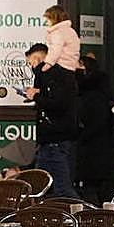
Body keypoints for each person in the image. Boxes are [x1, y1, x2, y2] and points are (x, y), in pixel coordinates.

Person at [23, 42, 80, 199]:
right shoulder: (57, 76)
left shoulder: (54, 76)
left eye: (32, 62)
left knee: (62, 189)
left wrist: (36, 96)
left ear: (39, 58)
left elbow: (58, 104)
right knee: (38, 188)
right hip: (50, 140)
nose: (32, 67)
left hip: (55, 140)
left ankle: (82, 218)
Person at [75, 55, 114, 206]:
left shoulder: (91, 96)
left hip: (93, 150)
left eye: (79, 66)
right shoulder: (103, 92)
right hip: (102, 150)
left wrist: (80, 137)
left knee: (92, 189)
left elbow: (95, 123)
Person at [40, 5, 80, 74]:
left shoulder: (57, 33)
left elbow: (55, 50)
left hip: (60, 66)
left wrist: (48, 63)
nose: (46, 22)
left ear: (54, 19)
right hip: (71, 67)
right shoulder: (71, 31)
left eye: (48, 19)